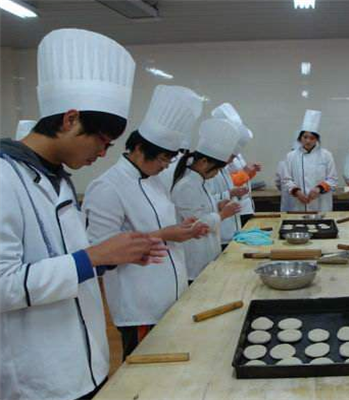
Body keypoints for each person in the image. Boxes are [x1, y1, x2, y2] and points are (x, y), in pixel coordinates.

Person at [0, 28, 166, 400]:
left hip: (86, 365)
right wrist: (92, 258)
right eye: (101, 141)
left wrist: (109, 259)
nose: (104, 154)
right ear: (70, 119)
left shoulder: (57, 179)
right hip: (36, 380)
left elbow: (67, 261)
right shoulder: (4, 178)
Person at [83, 85, 207, 359]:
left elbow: (162, 225)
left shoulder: (154, 181)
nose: (166, 166)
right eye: (164, 158)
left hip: (171, 295)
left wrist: (184, 228)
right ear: (139, 148)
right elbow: (100, 252)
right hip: (140, 307)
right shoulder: (107, 187)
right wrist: (165, 234)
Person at [171, 118, 242, 280]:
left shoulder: (200, 182)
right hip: (195, 259)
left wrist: (218, 205)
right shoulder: (186, 186)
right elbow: (198, 224)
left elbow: (202, 209)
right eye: (216, 169)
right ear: (203, 162)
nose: (217, 173)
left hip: (208, 253)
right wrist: (223, 214)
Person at [211, 103, 261, 226]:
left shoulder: (237, 154)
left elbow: (241, 175)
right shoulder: (218, 157)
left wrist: (251, 170)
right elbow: (227, 180)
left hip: (243, 204)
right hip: (230, 207)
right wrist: (245, 173)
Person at [282, 109, 338, 212]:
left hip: (321, 204)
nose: (308, 141)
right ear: (300, 138)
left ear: (317, 139)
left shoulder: (326, 155)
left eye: (312, 138)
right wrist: (297, 192)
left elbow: (333, 179)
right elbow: (286, 180)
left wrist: (319, 189)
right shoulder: (291, 156)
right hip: (298, 204)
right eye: (305, 137)